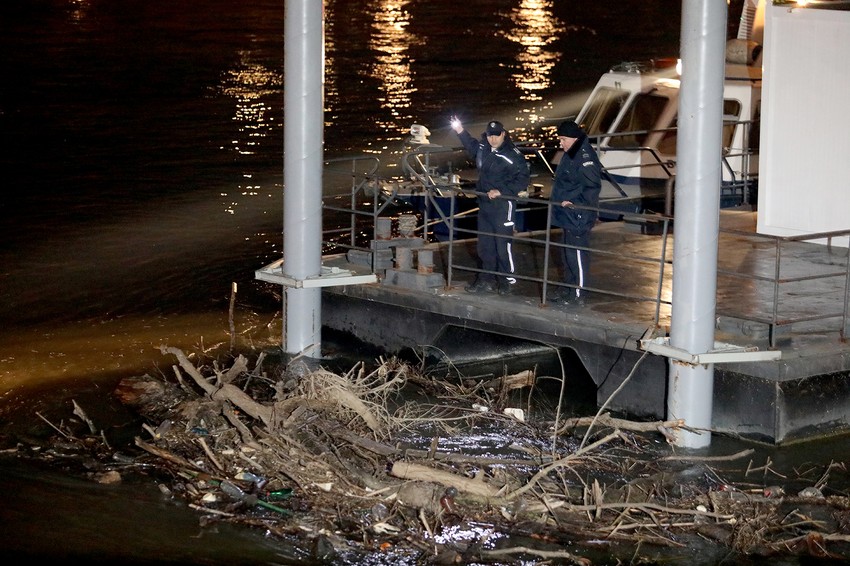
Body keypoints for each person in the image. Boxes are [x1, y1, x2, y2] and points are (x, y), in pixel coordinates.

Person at [451, 117, 530, 295]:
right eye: (489, 136)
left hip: (503, 205)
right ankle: (485, 279)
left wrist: (502, 191)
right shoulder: (483, 148)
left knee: (503, 245)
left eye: (496, 136)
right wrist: (460, 130)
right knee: (485, 245)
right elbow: (471, 145)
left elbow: (523, 179)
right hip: (485, 204)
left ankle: (506, 280)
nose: (493, 139)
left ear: (503, 134)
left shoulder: (513, 155)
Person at [549, 120, 602, 306]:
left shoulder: (584, 156)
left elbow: (593, 186)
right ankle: (568, 288)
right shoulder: (572, 153)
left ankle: (579, 292)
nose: (560, 143)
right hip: (567, 214)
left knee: (577, 254)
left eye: (563, 139)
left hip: (578, 214)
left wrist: (577, 205)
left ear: (573, 138)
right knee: (567, 254)